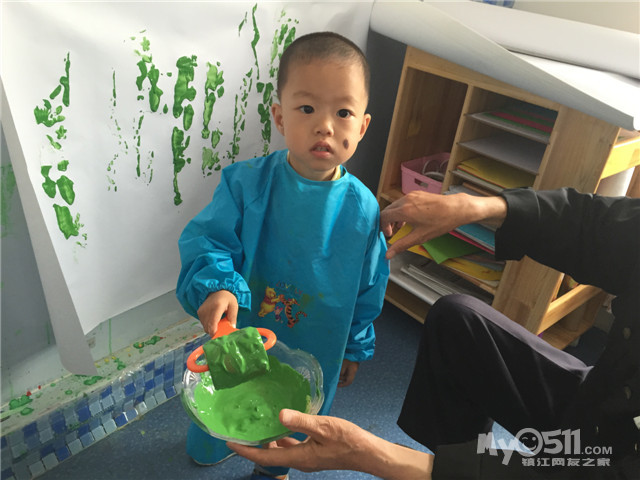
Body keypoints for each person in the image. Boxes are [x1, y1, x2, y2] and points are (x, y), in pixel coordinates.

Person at [228, 188, 640, 479]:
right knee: (457, 320)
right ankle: (450, 466)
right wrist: (473, 206)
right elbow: (599, 225)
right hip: (601, 400)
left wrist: (375, 457)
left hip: (609, 463)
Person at [176, 31, 389, 480]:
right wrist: (216, 286)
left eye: (343, 112)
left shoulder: (364, 210)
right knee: (225, 398)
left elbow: (370, 286)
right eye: (307, 108)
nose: (325, 126)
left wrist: (355, 345)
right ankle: (215, 445)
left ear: (362, 126)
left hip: (318, 340)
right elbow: (209, 241)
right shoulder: (245, 184)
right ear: (279, 116)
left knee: (293, 421)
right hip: (244, 325)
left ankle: (275, 468)